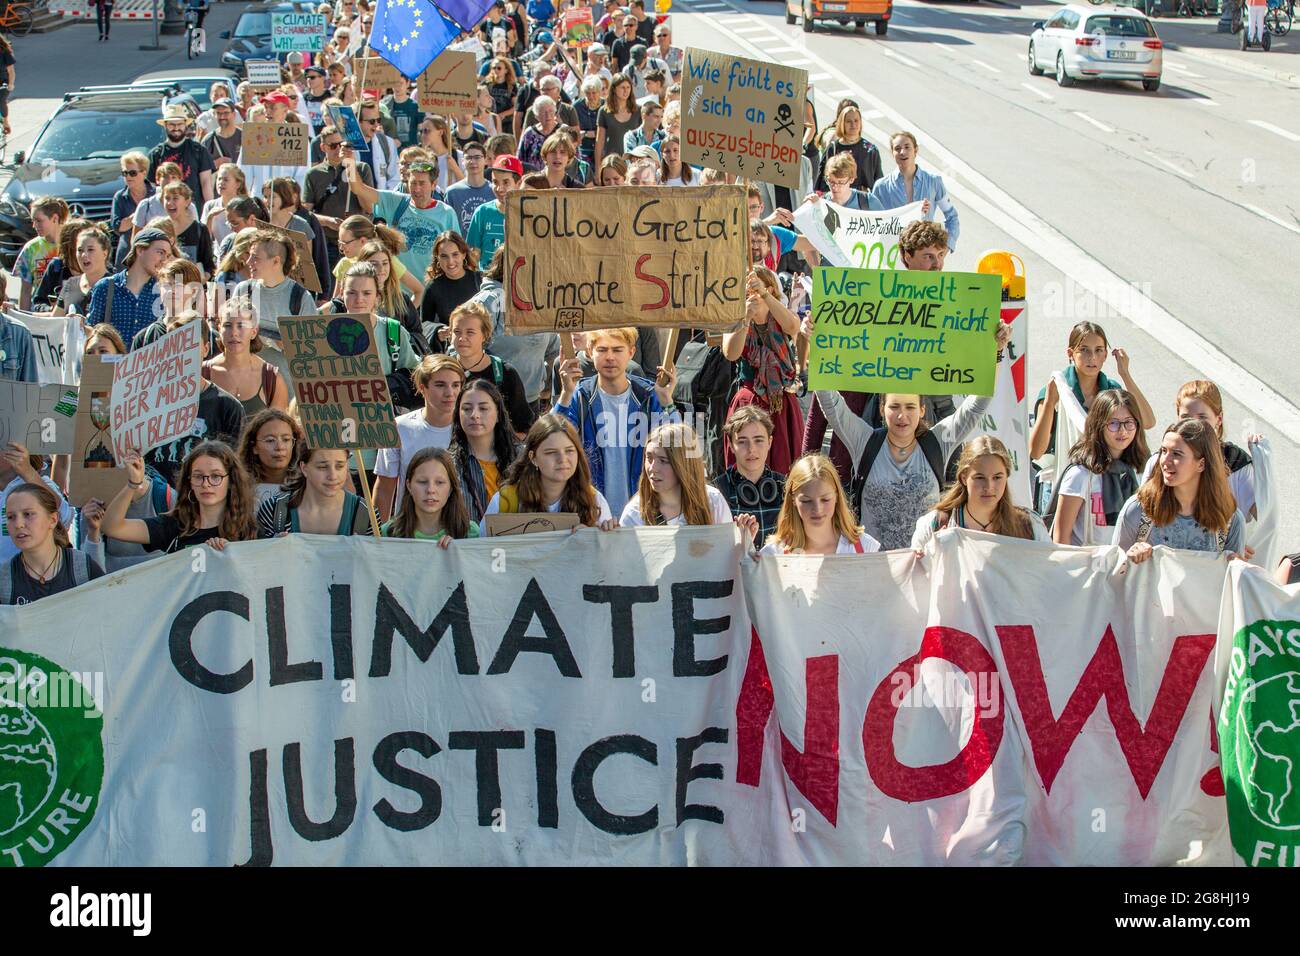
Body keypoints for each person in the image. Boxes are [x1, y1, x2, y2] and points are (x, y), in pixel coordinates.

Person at [813, 321, 1012, 550]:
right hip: (875, 566)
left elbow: (976, 405)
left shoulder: (938, 441)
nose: (902, 416)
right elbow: (831, 404)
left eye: (909, 407)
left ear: (922, 410)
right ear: (882, 409)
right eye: (894, 407)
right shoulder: (864, 441)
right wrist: (817, 343)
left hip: (926, 564)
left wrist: (996, 351)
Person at [553, 326, 678, 520]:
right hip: (592, 509)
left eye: (617, 350)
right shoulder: (581, 394)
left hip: (642, 510)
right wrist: (565, 394)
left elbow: (678, 445)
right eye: (602, 350)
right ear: (589, 352)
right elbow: (552, 439)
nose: (610, 357)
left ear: (631, 353)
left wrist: (667, 402)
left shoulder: (647, 395)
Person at [1117, 418, 1245, 561]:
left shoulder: (1230, 520)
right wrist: (1129, 559)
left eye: (1176, 454)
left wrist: (1236, 566)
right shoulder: (1138, 509)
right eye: (1163, 451)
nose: (1165, 460)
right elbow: (1112, 572)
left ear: (1201, 464)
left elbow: (1231, 580)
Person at [1029, 321, 1156, 462]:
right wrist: (1049, 402)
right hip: (1063, 471)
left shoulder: (1111, 389)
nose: (1092, 357)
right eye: (1084, 350)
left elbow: (1147, 422)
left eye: (1099, 350)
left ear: (1106, 355)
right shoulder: (1057, 389)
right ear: (1070, 353)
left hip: (1103, 471)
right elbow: (1036, 452)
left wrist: (1125, 374)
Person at [101, 442, 257, 555]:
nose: (206, 484)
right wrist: (133, 483)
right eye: (198, 476)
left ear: (231, 481)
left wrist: (230, 555)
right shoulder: (174, 526)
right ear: (189, 482)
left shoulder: (249, 530)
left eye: (215, 476)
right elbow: (112, 527)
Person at [146, 314, 246, 489]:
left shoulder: (227, 407)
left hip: (201, 504)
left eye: (190, 345)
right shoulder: (146, 402)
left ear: (206, 349)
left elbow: (234, 472)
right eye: (174, 345)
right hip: (155, 504)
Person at [1142, 380, 1259, 522]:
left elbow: (1263, 517)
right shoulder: (1160, 462)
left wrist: (1264, 467)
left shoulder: (1236, 463)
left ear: (1219, 419)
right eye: (1186, 417)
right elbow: (1142, 513)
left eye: (1202, 418)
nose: (1193, 425)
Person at [722, 267, 802, 474]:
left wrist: (765, 295)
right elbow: (731, 353)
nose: (753, 296)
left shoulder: (780, 316)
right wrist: (745, 318)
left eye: (758, 290)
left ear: (771, 291)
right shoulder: (735, 318)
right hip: (749, 402)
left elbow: (793, 327)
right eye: (747, 292)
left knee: (784, 463)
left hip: (780, 404)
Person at [912, 436, 1049, 551]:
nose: (989, 486)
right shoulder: (934, 524)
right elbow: (914, 575)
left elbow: (1052, 574)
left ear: (1007, 476)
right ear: (964, 478)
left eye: (997, 477)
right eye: (979, 478)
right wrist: (929, 556)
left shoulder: (1030, 525)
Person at [1050, 389, 1148, 546]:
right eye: (1113, 423)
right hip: (1087, 565)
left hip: (1124, 566)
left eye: (1129, 423)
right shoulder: (1081, 474)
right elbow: (1061, 538)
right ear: (1098, 425)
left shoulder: (1140, 470)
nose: (1122, 431)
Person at [375, 354, 465, 519]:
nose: (450, 393)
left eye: (456, 385)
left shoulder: (469, 428)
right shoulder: (399, 427)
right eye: (440, 385)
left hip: (458, 532)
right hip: (408, 533)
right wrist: (378, 537)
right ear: (422, 388)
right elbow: (384, 488)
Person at [486, 414, 614, 525]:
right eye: (551, 452)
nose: (562, 459)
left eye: (569, 450)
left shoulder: (594, 500)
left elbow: (606, 552)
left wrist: (599, 537)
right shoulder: (504, 502)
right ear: (533, 458)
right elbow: (484, 550)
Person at [347, 156, 460, 281]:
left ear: (434, 184)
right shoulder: (396, 202)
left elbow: (457, 254)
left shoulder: (447, 213)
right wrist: (350, 164)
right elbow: (358, 188)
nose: (417, 189)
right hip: (399, 291)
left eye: (422, 183)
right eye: (413, 183)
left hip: (432, 290)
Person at [750, 454, 881, 555]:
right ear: (793, 500)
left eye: (825, 500)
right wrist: (747, 556)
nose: (817, 509)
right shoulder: (775, 554)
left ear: (837, 496)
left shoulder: (865, 547)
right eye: (806, 501)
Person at [1, 484, 103, 605]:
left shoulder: (81, 567)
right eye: (11, 517)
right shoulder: (5, 578)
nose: (18, 524)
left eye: (28, 514)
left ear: (53, 519)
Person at [620, 423, 733, 527]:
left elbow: (727, 547)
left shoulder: (713, 502)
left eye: (663, 460)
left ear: (685, 465)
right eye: (649, 458)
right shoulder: (634, 514)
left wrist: (743, 539)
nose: (652, 468)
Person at [447, 301, 534, 434]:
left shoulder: (505, 373)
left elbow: (523, 426)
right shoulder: (443, 371)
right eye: (457, 331)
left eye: (470, 332)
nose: (461, 338)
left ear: (485, 335)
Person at [303, 125, 378, 272]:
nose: (339, 149)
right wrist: (328, 222)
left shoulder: (362, 169)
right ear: (323, 147)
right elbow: (306, 213)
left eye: (342, 145)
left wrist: (351, 168)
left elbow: (369, 207)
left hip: (359, 242)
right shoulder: (313, 174)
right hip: (328, 242)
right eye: (333, 146)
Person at [869, 132, 959, 251]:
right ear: (892, 153)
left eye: (907, 147)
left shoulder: (933, 181)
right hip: (892, 253)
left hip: (925, 254)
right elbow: (872, 223)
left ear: (915, 150)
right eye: (897, 148)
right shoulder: (881, 186)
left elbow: (952, 216)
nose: (902, 152)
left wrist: (946, 247)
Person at [233, 229, 320, 351]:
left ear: (276, 261)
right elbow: (232, 333)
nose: (248, 262)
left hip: (284, 370)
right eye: (249, 256)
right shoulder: (243, 290)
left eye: (255, 257)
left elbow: (313, 346)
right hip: (247, 369)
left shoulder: (301, 298)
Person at [258, 447, 373, 537]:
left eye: (340, 466)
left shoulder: (364, 514)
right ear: (304, 468)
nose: (332, 476)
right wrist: (271, 548)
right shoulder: (274, 511)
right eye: (322, 467)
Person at [205, 297, 291, 416]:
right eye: (228, 325)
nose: (234, 332)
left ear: (254, 332)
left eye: (241, 325)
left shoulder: (272, 379)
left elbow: (278, 429)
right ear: (219, 329)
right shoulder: (202, 374)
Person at [713, 406, 786, 543]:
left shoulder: (786, 486)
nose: (751, 449)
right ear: (731, 446)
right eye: (742, 441)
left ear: (769, 442)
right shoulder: (717, 491)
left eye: (758, 440)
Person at [85, 228, 170, 346]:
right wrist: (79, 325)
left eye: (167, 255)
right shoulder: (105, 287)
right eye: (160, 252)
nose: (164, 260)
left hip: (147, 363)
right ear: (140, 250)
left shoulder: (164, 291)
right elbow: (92, 334)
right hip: (113, 363)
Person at [383, 447, 479, 545]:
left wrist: (458, 552)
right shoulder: (387, 533)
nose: (430, 490)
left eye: (439, 482)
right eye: (422, 482)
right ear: (409, 486)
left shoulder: (470, 533)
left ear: (451, 488)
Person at [330, 215, 422, 301]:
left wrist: (406, 316)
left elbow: (419, 291)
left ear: (362, 241)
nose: (341, 248)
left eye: (345, 243)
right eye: (340, 242)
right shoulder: (344, 264)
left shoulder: (387, 261)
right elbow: (335, 303)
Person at [148, 104, 216, 207]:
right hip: (165, 211)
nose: (176, 128)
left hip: (194, 210)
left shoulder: (199, 150)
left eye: (180, 124)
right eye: (172, 124)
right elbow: (151, 187)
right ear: (165, 125)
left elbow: (206, 182)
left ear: (185, 125)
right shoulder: (156, 154)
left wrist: (209, 209)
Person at [422, 232, 482, 346]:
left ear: (463, 254)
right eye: (444, 256)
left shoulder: (480, 281)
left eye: (455, 254)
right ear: (437, 258)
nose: (450, 262)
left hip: (480, 349)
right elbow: (423, 325)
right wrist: (437, 331)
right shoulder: (433, 287)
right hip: (451, 352)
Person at [238, 408, 303, 508]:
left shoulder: (306, 484)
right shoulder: (238, 484)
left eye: (286, 440)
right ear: (254, 446)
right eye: (270, 440)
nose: (279, 447)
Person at [466, 154, 522, 267]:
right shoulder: (482, 212)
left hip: (519, 280)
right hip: (488, 280)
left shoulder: (527, 213)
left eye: (506, 182)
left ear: (518, 184)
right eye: (495, 182)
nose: (499, 188)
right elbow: (473, 253)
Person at [815, 105, 883, 193]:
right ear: (842, 123)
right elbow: (823, 179)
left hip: (862, 201)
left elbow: (878, 182)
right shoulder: (833, 148)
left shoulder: (870, 150)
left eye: (856, 120)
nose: (853, 124)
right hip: (837, 199)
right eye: (848, 121)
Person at [16, 196, 67, 311]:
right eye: (32, 221)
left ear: (54, 218)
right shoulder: (31, 249)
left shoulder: (71, 245)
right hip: (40, 311)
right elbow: (25, 290)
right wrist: (24, 318)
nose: (34, 226)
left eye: (38, 220)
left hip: (66, 312)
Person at [52, 225, 111, 317]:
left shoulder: (115, 286)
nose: (84, 255)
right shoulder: (70, 284)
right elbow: (54, 321)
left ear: (105, 253)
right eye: (80, 250)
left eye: (90, 250)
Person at [162, 182, 216, 278]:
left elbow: (208, 266)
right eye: (167, 198)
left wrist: (201, 279)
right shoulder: (159, 229)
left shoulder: (200, 230)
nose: (170, 203)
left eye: (175, 198)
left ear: (187, 201)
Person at [111, 152, 153, 267]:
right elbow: (117, 227)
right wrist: (138, 215)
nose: (128, 177)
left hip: (153, 252)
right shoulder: (119, 197)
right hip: (126, 254)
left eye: (132, 173)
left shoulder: (156, 194)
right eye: (125, 173)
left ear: (144, 173)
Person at [445, 140, 496, 233]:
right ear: (462, 161)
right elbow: (447, 226)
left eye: (477, 157)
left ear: (485, 160)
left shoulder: (495, 191)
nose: (472, 161)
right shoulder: (452, 193)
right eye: (468, 157)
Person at [595, 72, 640, 172]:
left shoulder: (638, 110)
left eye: (628, 87)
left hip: (633, 162)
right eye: (622, 87)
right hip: (611, 162)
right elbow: (600, 141)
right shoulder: (604, 111)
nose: (626, 91)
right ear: (614, 89)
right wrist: (598, 169)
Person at [201, 164, 248, 248]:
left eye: (226, 180)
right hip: (219, 257)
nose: (221, 183)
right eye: (219, 179)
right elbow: (204, 239)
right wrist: (210, 218)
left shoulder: (246, 205)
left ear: (238, 184)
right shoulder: (210, 205)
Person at [202, 98, 243, 168]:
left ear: (234, 114)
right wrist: (215, 164)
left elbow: (253, 165)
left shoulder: (244, 137)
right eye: (218, 113)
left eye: (226, 113)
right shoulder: (208, 140)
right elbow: (201, 168)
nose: (222, 117)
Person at [382, 78, 423, 149]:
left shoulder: (416, 106)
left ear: (408, 83)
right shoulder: (384, 105)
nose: (397, 87)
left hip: (410, 151)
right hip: (390, 151)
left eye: (401, 83)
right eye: (395, 83)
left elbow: (421, 130)